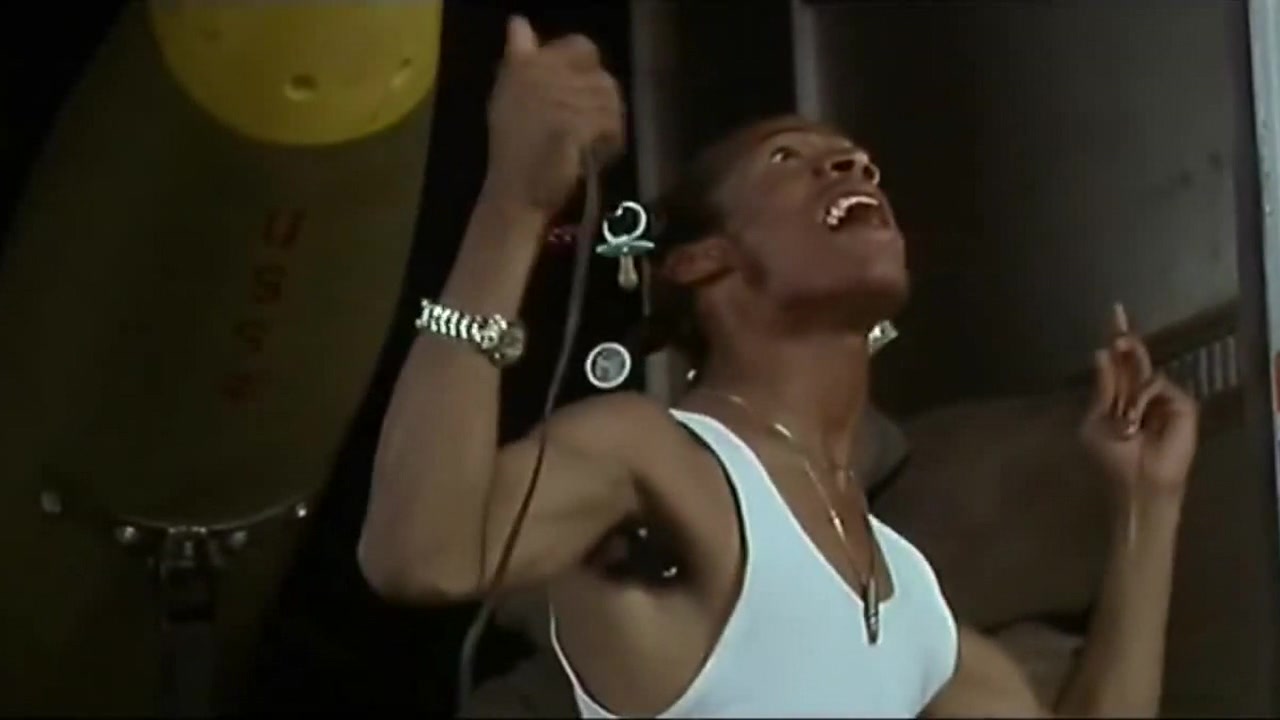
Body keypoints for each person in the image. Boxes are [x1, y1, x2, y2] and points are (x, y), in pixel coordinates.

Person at [359, 16, 1198, 718]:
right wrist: (514, 205)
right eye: (787, 159)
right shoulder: (653, 462)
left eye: (859, 162)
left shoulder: (909, 595)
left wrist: (1147, 500)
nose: (852, 166)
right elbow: (422, 553)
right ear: (702, 261)